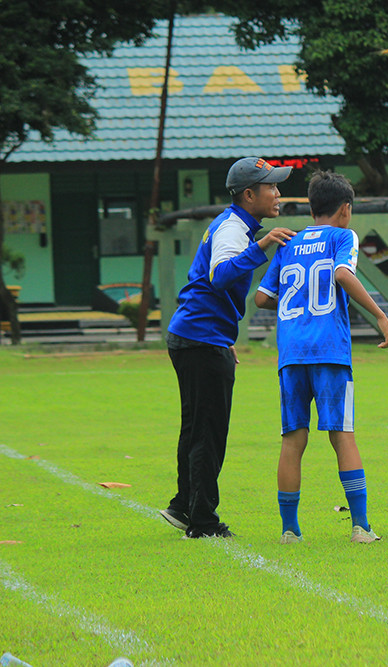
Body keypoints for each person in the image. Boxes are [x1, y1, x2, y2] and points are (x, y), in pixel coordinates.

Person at [255, 171, 388, 544]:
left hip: (291, 354)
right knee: (342, 435)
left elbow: (261, 298)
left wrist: (294, 304)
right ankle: (361, 527)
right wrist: (380, 315)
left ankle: (289, 530)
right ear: (345, 210)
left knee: (292, 440)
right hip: (329, 351)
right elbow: (342, 272)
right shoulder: (342, 236)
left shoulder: (289, 242)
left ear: (313, 207)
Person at [160, 157, 296, 539]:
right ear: (249, 194)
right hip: (199, 337)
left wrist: (223, 340)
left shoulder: (233, 225)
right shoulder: (234, 228)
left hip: (197, 336)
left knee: (195, 428)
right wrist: (264, 245)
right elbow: (220, 276)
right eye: (271, 187)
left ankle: (182, 506)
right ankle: (201, 521)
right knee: (208, 431)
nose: (278, 194)